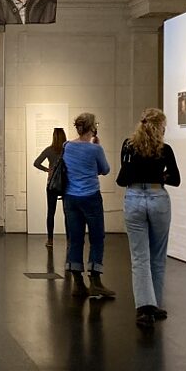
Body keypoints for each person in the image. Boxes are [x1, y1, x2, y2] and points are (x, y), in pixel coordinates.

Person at [116, 108, 181, 328]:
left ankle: (144, 307)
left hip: (134, 198)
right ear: (160, 126)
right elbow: (175, 179)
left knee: (139, 257)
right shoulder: (165, 149)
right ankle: (155, 304)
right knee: (158, 256)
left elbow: (122, 178)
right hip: (158, 198)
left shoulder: (128, 146)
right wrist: (159, 175)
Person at [62, 113, 114, 299]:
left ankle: (78, 284)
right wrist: (97, 147)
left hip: (70, 197)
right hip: (91, 197)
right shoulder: (95, 149)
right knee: (97, 237)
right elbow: (105, 169)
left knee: (75, 239)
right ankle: (95, 281)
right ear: (93, 128)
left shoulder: (67, 146)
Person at [33, 127, 66, 247]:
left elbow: (36, 163)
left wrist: (48, 170)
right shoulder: (67, 150)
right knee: (67, 213)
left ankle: (50, 240)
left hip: (51, 184)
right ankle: (69, 240)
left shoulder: (49, 150)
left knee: (51, 212)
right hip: (65, 183)